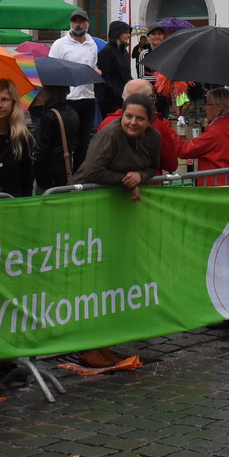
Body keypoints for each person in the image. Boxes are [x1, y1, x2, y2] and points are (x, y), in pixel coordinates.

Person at [70, 96, 162, 367]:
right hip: (86, 207)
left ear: (149, 121)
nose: (133, 123)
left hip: (117, 212)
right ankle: (88, 346)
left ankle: (103, 343)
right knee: (90, 277)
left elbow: (150, 166)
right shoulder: (110, 134)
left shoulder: (153, 137)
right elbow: (92, 171)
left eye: (140, 118)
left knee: (111, 276)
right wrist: (127, 182)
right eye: (128, 117)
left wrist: (141, 177)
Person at [97, 80, 178, 175]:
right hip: (147, 186)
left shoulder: (105, 123)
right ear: (147, 100)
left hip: (109, 186)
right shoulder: (157, 125)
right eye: (152, 96)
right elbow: (171, 164)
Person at [178, 87, 229, 181]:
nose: (205, 108)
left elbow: (184, 150)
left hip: (213, 188)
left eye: (208, 104)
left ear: (219, 108)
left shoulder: (215, 132)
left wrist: (167, 128)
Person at [49, 9, 100, 128]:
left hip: (88, 97)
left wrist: (96, 71)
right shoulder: (60, 44)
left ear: (88, 23)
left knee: (85, 139)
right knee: (70, 138)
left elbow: (93, 65)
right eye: (75, 21)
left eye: (81, 21)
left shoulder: (92, 44)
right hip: (69, 98)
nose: (78, 24)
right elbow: (51, 68)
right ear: (70, 23)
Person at [31, 83, 87, 191]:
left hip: (48, 175)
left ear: (48, 92)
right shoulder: (73, 113)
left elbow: (41, 150)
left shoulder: (48, 116)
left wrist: (32, 172)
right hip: (66, 169)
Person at [95, 20, 132, 119]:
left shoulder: (124, 51)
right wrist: (119, 94)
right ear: (117, 33)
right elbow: (105, 78)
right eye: (125, 32)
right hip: (109, 100)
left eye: (129, 32)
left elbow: (126, 75)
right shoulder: (107, 51)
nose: (128, 35)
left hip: (123, 99)